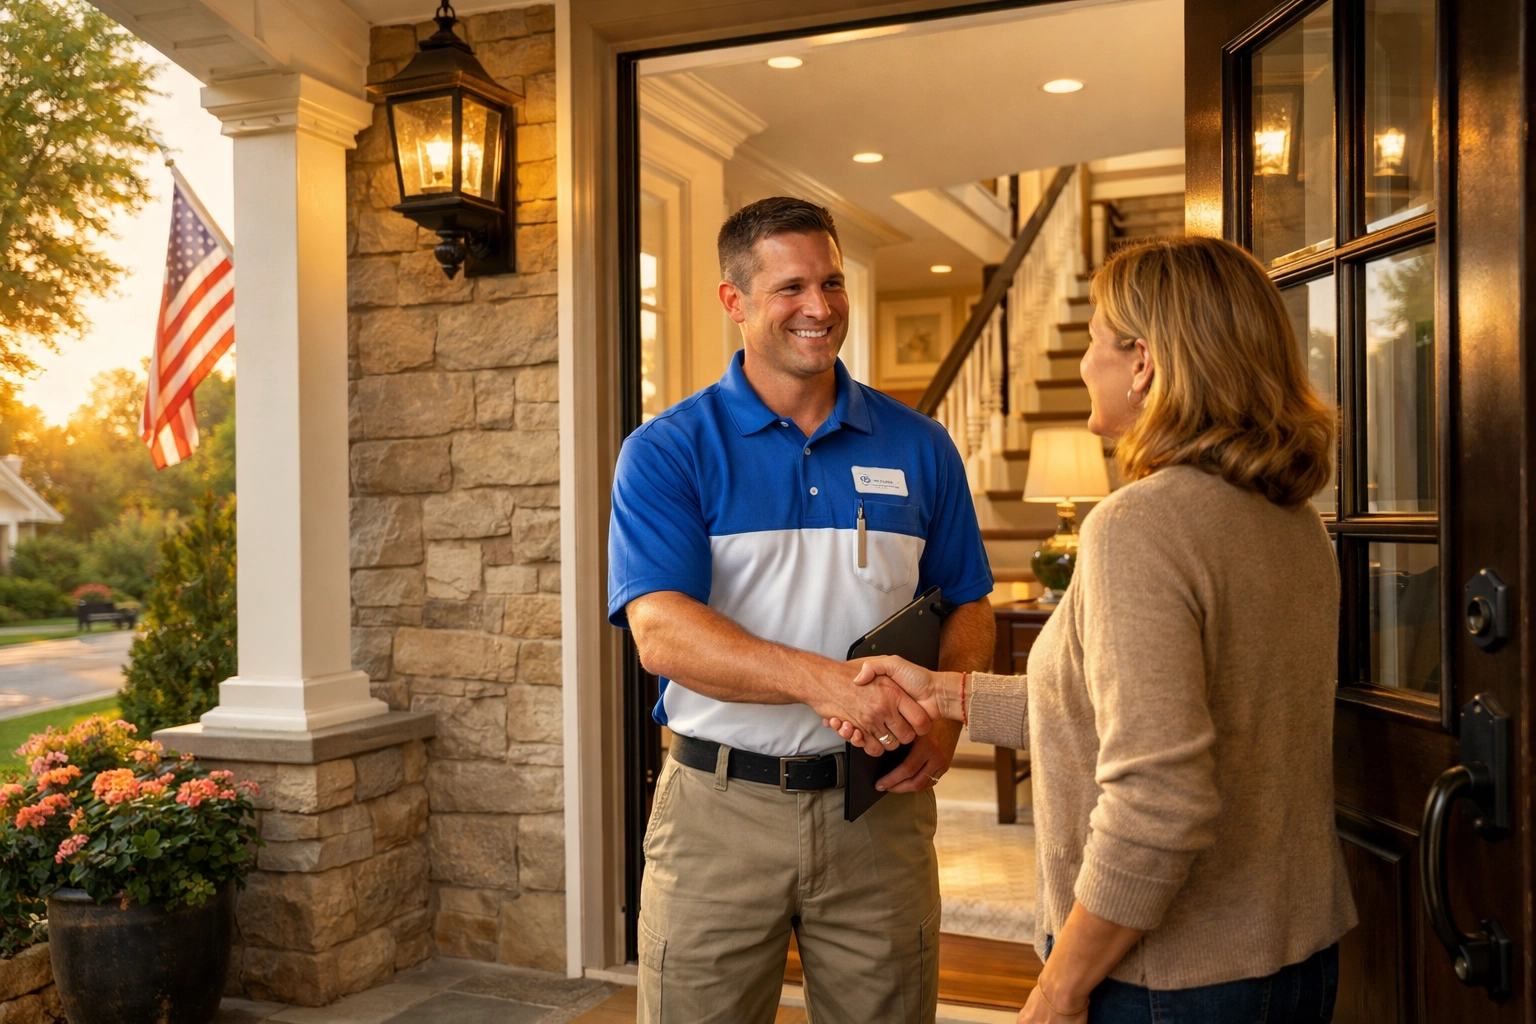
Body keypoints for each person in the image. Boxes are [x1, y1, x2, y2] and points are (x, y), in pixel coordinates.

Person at [832, 236, 1358, 1024]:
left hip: (1172, 979)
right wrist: (944, 690)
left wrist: (1059, 986)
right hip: (1298, 958)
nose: (1083, 363)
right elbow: (1114, 708)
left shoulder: (1138, 526)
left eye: (1092, 341)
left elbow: (1159, 799)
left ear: (1142, 361)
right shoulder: (1291, 519)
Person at [609, 196, 997, 1024]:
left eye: (830, 283)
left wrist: (947, 717)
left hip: (879, 813)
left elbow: (968, 603)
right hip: (719, 813)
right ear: (734, 301)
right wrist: (824, 684)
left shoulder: (921, 445)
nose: (819, 308)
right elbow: (660, 632)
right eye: (790, 288)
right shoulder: (669, 451)